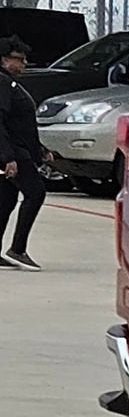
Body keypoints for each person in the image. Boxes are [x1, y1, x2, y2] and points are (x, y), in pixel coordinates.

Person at [1, 36, 46, 270]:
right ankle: (17, 249)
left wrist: (40, 150)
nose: (24, 63)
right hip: (14, 153)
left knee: (6, 200)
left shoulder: (10, 84)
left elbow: (21, 125)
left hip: (18, 150)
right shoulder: (2, 83)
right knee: (36, 193)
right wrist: (7, 157)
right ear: (3, 60)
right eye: (19, 59)